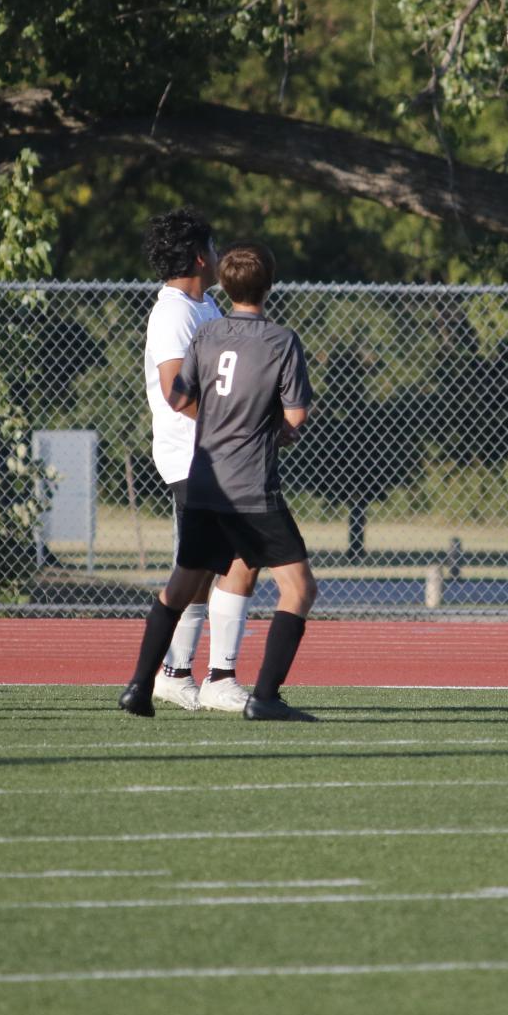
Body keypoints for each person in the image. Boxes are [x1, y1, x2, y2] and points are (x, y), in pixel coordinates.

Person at [118, 243, 317, 722]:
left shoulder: (205, 334)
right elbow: (295, 415)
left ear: (224, 286)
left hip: (205, 479)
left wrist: (221, 418)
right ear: (269, 284)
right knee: (298, 588)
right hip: (250, 485)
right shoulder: (280, 340)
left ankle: (140, 686)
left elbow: (180, 395)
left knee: (182, 585)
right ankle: (264, 697)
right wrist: (271, 429)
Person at [141, 210, 259, 714]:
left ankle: (175, 673)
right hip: (197, 457)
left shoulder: (204, 304)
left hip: (215, 456)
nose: (218, 255)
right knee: (240, 560)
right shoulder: (174, 313)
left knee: (205, 568)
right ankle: (217, 677)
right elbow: (176, 393)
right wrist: (236, 422)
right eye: (212, 247)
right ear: (197, 256)